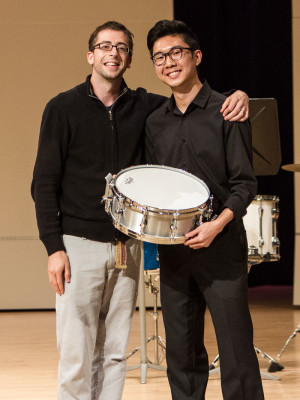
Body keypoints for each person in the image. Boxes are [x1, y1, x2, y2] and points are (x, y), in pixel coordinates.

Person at [31, 20, 250, 400]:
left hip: (169, 245)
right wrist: (53, 246)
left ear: (130, 59)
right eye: (104, 46)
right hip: (112, 245)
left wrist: (242, 95)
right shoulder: (76, 108)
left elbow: (242, 177)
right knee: (94, 351)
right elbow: (44, 183)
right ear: (91, 54)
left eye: (121, 47)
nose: (112, 53)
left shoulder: (170, 107)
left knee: (124, 351)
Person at [145, 20, 265, 400]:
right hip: (175, 251)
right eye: (159, 57)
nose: (168, 63)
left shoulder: (227, 109)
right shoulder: (154, 121)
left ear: (196, 56)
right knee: (180, 353)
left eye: (176, 53)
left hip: (222, 245)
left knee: (236, 349)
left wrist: (217, 224)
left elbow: (245, 184)